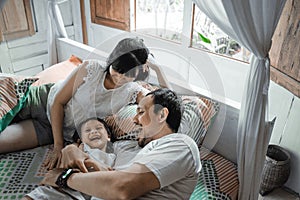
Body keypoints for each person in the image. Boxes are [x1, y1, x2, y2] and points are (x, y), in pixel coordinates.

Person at [0, 37, 170, 170]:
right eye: (117, 70)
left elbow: (166, 101)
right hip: (42, 101)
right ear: (112, 60)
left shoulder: (133, 91)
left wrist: (158, 69)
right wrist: (58, 146)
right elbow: (58, 102)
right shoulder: (91, 68)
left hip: (53, 130)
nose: (119, 79)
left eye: (127, 76)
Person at [40, 88, 201, 199]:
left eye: (141, 112)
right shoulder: (133, 147)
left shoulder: (181, 145)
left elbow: (122, 187)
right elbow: (107, 168)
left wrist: (64, 178)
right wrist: (73, 149)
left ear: (161, 115)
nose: (134, 119)